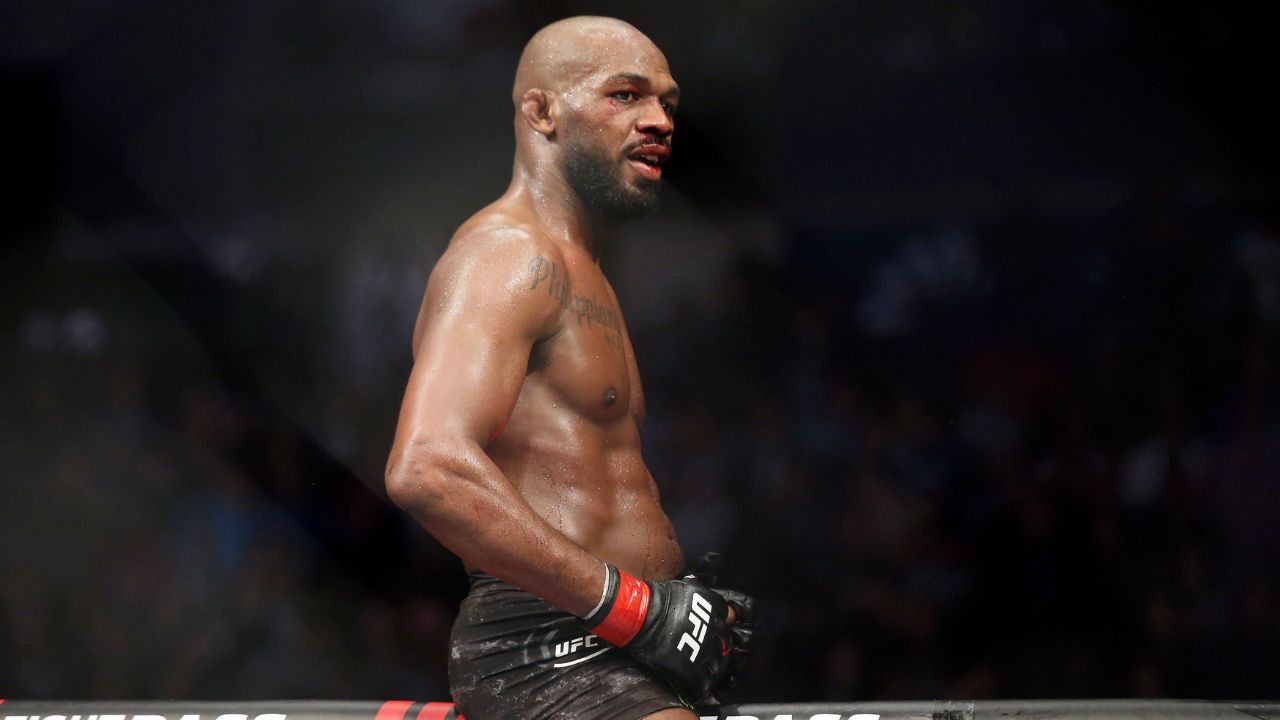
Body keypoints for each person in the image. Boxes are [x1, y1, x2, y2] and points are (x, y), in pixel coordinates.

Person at [384, 15, 755, 720]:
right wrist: (635, 609)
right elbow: (426, 465)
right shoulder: (508, 254)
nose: (659, 121)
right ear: (541, 110)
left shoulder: (584, 268)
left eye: (667, 103)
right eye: (625, 95)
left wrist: (660, 610)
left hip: (617, 646)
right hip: (548, 647)